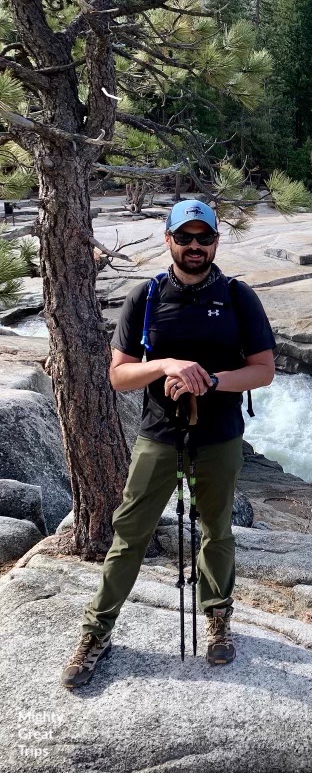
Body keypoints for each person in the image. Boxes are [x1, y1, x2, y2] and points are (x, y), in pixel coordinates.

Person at [61, 199, 276, 688]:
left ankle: (218, 616)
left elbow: (263, 370)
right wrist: (165, 365)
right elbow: (118, 376)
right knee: (130, 532)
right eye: (186, 237)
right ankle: (97, 630)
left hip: (219, 436)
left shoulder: (240, 297)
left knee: (216, 530)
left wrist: (212, 380)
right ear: (169, 240)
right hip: (159, 434)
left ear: (217, 241)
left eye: (205, 237)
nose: (195, 246)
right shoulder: (146, 296)